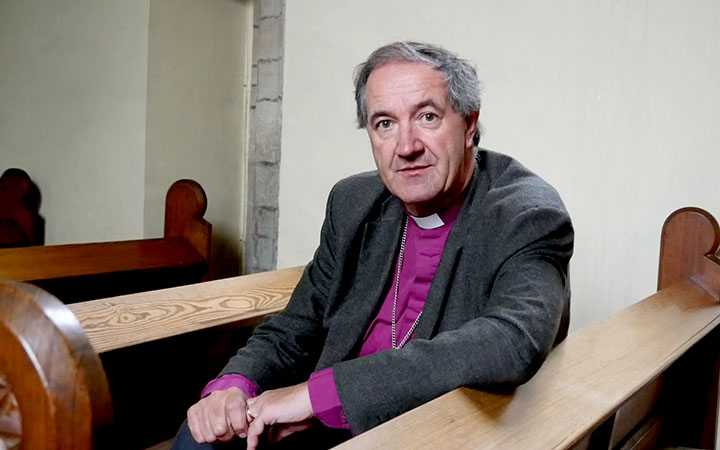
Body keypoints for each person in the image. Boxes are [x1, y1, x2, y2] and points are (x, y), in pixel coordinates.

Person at [173, 41, 573, 449]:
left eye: (427, 117)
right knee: (201, 436)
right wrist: (235, 384)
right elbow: (299, 326)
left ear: (470, 124)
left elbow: (511, 341)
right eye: (385, 124)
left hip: (432, 433)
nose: (406, 146)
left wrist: (314, 396)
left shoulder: (526, 213)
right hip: (327, 422)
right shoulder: (353, 202)